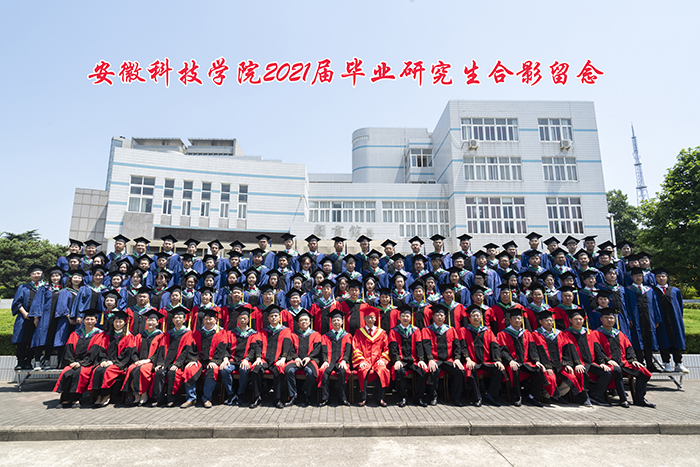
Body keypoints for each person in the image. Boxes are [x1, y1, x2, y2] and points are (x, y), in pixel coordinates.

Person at [590, 307, 655, 408]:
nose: (609, 320)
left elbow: (629, 348)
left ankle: (640, 398)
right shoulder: (596, 334)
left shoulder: (619, 334)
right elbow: (597, 350)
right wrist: (607, 360)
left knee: (642, 370)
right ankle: (623, 399)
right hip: (607, 363)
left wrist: (633, 360)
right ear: (601, 319)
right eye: (606, 318)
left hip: (623, 362)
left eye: (611, 318)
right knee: (617, 370)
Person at [559, 308, 612, 406]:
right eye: (576, 319)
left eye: (580, 319)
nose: (579, 321)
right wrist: (575, 364)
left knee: (607, 373)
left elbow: (597, 349)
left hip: (589, 363)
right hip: (576, 364)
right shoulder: (566, 334)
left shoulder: (589, 333)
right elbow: (567, 351)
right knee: (582, 372)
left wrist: (602, 362)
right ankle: (584, 398)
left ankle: (596, 395)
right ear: (570, 320)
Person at [53, 309, 105, 408]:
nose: (89, 321)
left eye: (92, 319)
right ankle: (66, 398)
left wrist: (81, 363)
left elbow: (94, 352)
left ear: (96, 321)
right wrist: (71, 362)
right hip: (74, 362)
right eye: (87, 319)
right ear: (83, 321)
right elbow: (68, 349)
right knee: (67, 371)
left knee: (79, 372)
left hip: (89, 363)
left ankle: (75, 399)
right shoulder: (75, 333)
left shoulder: (99, 334)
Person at [497, 308, 546, 407]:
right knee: (514, 369)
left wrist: (536, 360)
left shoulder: (526, 333)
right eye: (515, 318)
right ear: (510, 320)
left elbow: (532, 348)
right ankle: (517, 396)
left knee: (539, 370)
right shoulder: (503, 334)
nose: (517, 320)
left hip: (525, 362)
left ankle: (532, 397)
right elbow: (502, 351)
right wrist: (510, 361)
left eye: (519, 318)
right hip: (512, 362)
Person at [152, 306, 199, 407]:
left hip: (179, 362)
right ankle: (159, 399)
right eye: (176, 317)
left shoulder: (188, 333)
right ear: (172, 320)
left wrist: (177, 364)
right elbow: (161, 348)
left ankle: (171, 398)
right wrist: (160, 363)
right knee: (159, 372)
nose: (178, 319)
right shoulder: (168, 334)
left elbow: (186, 351)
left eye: (180, 317)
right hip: (166, 361)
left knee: (172, 372)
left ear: (184, 320)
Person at [460, 305, 505, 407]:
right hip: (472, 361)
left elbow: (495, 347)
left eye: (478, 315)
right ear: (469, 318)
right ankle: (477, 397)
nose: (476, 317)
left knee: (499, 369)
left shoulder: (487, 331)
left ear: (481, 318)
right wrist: (468, 359)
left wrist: (498, 360)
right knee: (470, 370)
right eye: (473, 316)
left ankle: (490, 395)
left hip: (486, 361)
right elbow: (463, 346)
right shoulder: (464, 330)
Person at [250, 305, 294, 408]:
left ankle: (277, 399)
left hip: (277, 360)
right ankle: (257, 397)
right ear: (268, 318)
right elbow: (258, 345)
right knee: (255, 369)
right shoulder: (263, 331)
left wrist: (283, 358)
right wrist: (258, 358)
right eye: (271, 316)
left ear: (279, 318)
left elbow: (287, 345)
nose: (274, 318)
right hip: (264, 359)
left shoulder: (285, 330)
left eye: (276, 316)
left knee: (279, 370)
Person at [184, 309, 229, 408]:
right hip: (199, 360)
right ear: (203, 320)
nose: (208, 321)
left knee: (212, 370)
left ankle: (206, 398)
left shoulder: (221, 332)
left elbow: (222, 349)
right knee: (189, 369)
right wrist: (193, 360)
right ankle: (191, 398)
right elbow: (192, 347)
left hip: (213, 361)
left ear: (215, 320)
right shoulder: (197, 332)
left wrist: (214, 361)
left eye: (210, 319)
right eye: (206, 319)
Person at [89, 310, 135, 407]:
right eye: (116, 321)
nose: (118, 324)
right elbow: (102, 350)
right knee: (97, 370)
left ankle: (106, 395)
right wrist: (103, 361)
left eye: (120, 322)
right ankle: (98, 396)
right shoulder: (107, 336)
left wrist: (113, 362)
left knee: (107, 371)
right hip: (107, 362)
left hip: (120, 364)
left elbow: (127, 355)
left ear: (125, 323)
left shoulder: (128, 337)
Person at [422, 302, 465, 406]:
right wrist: (430, 359)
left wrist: (457, 358)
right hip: (435, 359)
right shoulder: (427, 330)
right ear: (433, 317)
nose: (439, 317)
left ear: (445, 317)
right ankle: (433, 397)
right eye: (437, 315)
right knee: (432, 371)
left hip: (448, 360)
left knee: (460, 372)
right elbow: (426, 346)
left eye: (441, 315)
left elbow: (457, 345)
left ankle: (456, 398)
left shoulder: (451, 330)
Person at [122, 308, 165, 406]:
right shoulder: (140, 335)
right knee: (130, 369)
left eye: (153, 320)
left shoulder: (161, 336)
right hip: (139, 361)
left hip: (151, 362)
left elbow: (160, 352)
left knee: (142, 370)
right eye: (148, 320)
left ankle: (144, 394)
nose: (150, 322)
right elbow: (134, 350)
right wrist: (136, 360)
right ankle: (136, 395)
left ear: (157, 323)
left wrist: (148, 360)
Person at [220, 307, 261, 406]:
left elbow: (253, 349)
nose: (242, 320)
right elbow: (225, 347)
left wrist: (247, 359)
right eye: (241, 318)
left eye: (245, 318)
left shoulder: (253, 334)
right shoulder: (231, 333)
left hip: (245, 360)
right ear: (237, 319)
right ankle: (231, 394)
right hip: (232, 360)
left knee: (244, 370)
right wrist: (225, 358)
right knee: (224, 370)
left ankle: (240, 394)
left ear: (248, 319)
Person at [389, 305, 428, 407]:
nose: (405, 318)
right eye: (403, 316)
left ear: (411, 318)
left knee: (423, 371)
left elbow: (419, 345)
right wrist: (396, 360)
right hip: (401, 360)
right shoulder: (394, 331)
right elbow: (393, 347)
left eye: (407, 316)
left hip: (414, 360)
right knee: (399, 371)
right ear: (399, 317)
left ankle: (418, 398)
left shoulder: (416, 330)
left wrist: (421, 359)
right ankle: (403, 397)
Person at [652, 267, 689, 373]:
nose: (661, 278)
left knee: (677, 340)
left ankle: (678, 364)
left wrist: (678, 319)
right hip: (661, 321)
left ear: (667, 277)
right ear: (655, 278)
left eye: (663, 276)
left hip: (674, 320)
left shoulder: (675, 291)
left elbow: (680, 306)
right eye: (659, 276)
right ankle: (666, 364)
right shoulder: (652, 291)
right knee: (663, 341)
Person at [352, 308, 390, 407]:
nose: (370, 319)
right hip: (365, 360)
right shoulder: (359, 333)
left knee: (382, 370)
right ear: (364, 319)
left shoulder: (382, 333)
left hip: (378, 360)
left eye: (372, 317)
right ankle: (363, 398)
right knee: (363, 370)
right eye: (368, 317)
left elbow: (386, 349)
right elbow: (355, 348)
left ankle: (380, 398)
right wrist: (361, 360)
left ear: (375, 319)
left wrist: (383, 359)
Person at [284, 310, 322, 407]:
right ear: (298, 323)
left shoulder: (316, 334)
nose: (304, 322)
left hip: (310, 360)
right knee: (289, 371)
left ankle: (306, 394)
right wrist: (296, 358)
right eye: (301, 320)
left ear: (309, 322)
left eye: (306, 320)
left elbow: (317, 349)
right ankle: (293, 395)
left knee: (311, 372)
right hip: (296, 360)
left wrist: (309, 357)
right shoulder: (293, 335)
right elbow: (290, 349)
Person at [28, 265, 63, 369]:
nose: (55, 278)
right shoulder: (44, 288)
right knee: (39, 338)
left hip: (56, 318)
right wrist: (36, 317)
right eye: (53, 276)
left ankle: (46, 360)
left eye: (57, 276)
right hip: (44, 317)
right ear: (50, 277)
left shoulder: (63, 289)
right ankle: (37, 361)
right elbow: (37, 302)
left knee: (51, 339)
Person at [11, 264, 45, 370]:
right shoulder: (23, 287)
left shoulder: (45, 287)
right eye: (34, 273)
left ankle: (29, 361)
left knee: (33, 340)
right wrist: (24, 313)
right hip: (24, 317)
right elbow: (17, 302)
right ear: (30, 275)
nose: (36, 275)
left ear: (42, 274)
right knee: (21, 340)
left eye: (38, 273)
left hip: (39, 318)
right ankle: (20, 362)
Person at [318, 310, 352, 406]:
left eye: (338, 320)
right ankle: (325, 398)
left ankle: (343, 398)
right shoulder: (326, 336)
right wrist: (325, 361)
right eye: (334, 320)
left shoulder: (347, 335)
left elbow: (348, 350)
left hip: (341, 361)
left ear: (342, 322)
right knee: (323, 372)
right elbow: (324, 349)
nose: (336, 322)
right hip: (329, 361)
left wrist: (344, 360)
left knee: (343, 372)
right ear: (331, 322)